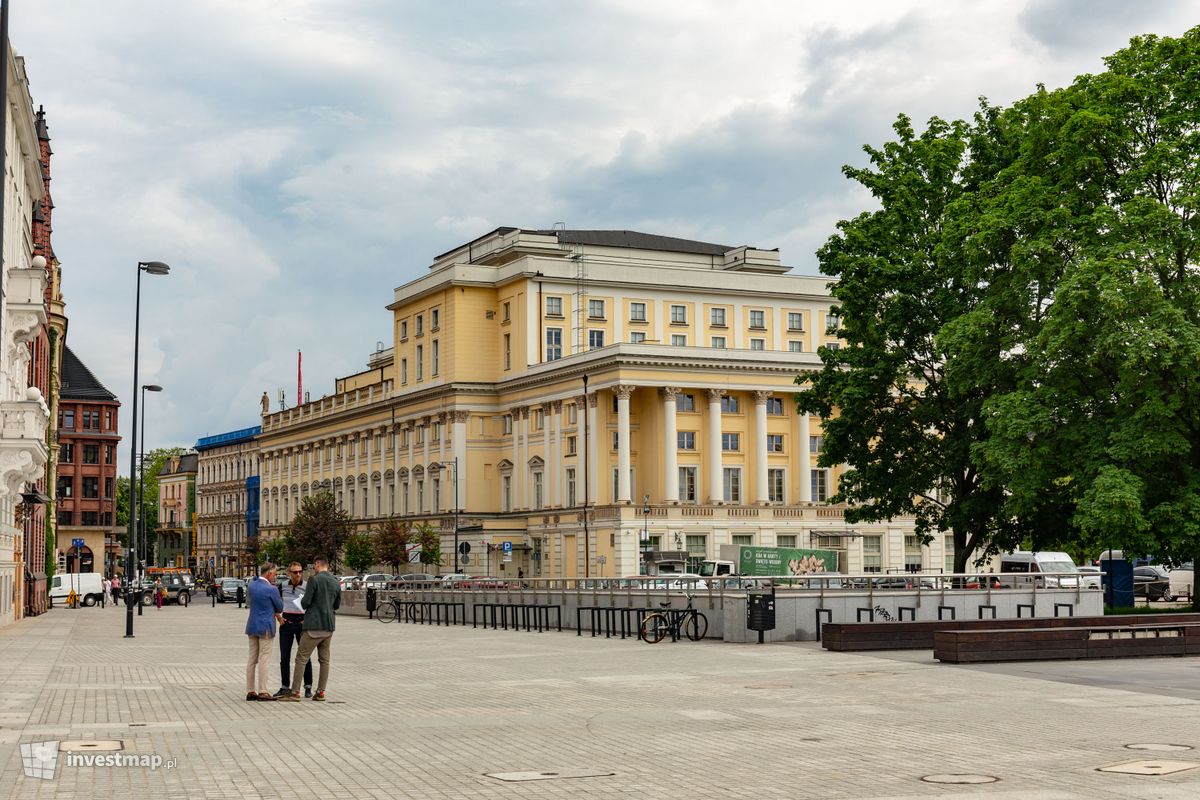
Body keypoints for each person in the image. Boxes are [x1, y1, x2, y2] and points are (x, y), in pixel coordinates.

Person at [278, 556, 341, 702]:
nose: (313, 568)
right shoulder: (335, 582)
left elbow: (305, 603)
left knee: (301, 658)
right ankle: (320, 692)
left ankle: (294, 692)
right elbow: (337, 605)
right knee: (324, 660)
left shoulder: (314, 580)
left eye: (314, 566)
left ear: (318, 565)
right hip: (329, 626)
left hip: (313, 626)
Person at [244, 562, 283, 701]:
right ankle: (263, 690)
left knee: (252, 659)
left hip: (252, 625)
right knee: (264, 658)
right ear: (269, 573)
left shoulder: (252, 585)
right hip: (266, 626)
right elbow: (279, 607)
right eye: (275, 574)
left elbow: (249, 601)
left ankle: (250, 690)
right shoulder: (271, 589)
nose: (275, 577)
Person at [273, 562, 312, 698]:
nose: (298, 574)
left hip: (302, 624)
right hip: (287, 623)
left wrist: (306, 619)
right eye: (295, 572)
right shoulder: (282, 586)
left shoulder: (307, 586)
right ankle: (285, 686)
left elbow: (312, 605)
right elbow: (275, 602)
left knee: (304, 657)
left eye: (300, 571)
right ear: (289, 573)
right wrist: (278, 617)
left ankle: (308, 686)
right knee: (284, 657)